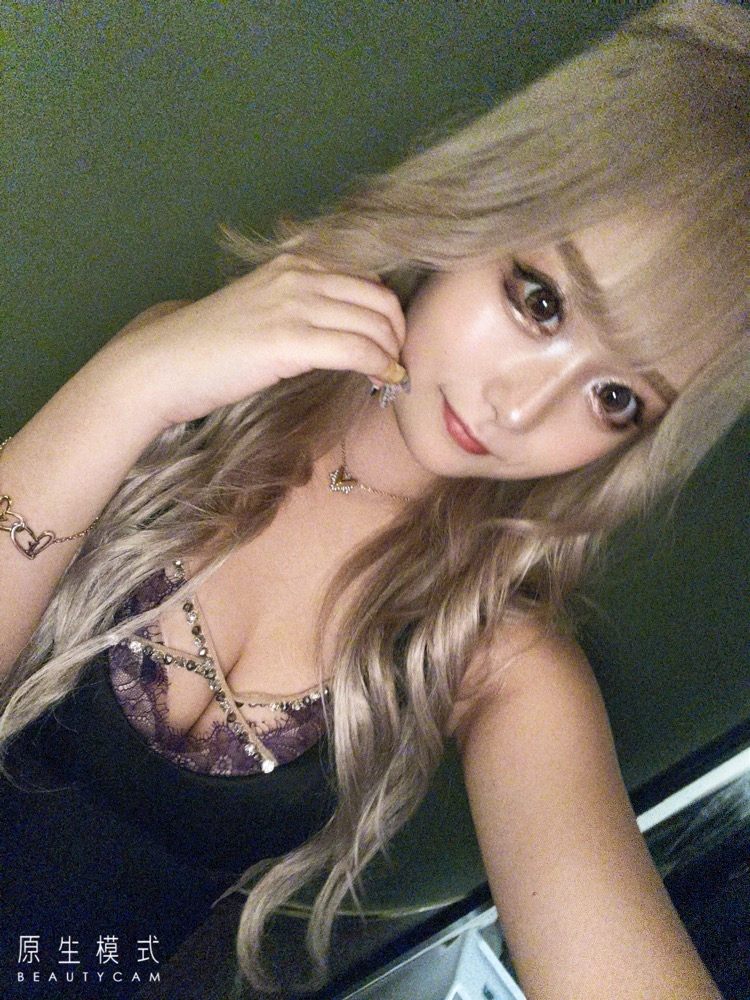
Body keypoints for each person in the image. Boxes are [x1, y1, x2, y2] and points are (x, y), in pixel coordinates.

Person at [0, 1, 746, 996]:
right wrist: (133, 380)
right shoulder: (188, 383)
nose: (520, 407)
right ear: (482, 208)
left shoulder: (498, 662)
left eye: (617, 398)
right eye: (541, 301)